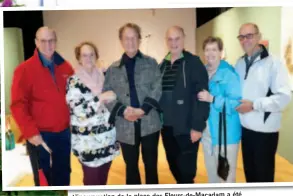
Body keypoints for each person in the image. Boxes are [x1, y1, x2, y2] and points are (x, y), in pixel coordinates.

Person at [10, 27, 73, 186]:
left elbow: (75, 97)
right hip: (39, 135)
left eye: (51, 40)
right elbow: (18, 105)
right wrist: (30, 133)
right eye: (43, 41)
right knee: (43, 179)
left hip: (64, 134)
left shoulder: (66, 67)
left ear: (56, 41)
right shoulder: (24, 70)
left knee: (64, 174)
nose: (48, 45)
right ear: (36, 42)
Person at [103, 23, 162, 184]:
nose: (130, 41)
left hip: (149, 123)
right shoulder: (112, 69)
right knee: (131, 167)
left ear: (139, 39)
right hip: (125, 124)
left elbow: (157, 88)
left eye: (134, 37)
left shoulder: (151, 63)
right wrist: (122, 111)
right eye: (126, 38)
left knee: (151, 165)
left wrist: (143, 110)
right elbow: (107, 95)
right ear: (121, 41)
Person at [235, 23, 292, 182]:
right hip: (245, 131)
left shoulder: (275, 63)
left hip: (265, 134)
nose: (245, 40)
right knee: (250, 177)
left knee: (263, 179)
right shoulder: (239, 63)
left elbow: (284, 98)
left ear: (259, 37)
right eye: (241, 37)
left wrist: (254, 105)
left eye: (249, 36)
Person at [159, 26, 210, 184]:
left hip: (187, 128)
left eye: (177, 38)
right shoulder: (162, 65)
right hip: (166, 128)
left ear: (183, 39)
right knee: (174, 166)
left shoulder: (193, 62)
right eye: (170, 39)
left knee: (187, 172)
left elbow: (202, 96)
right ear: (166, 41)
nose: (173, 43)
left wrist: (197, 126)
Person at [66, 42, 120, 185]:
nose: (88, 58)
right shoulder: (73, 82)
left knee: (103, 180)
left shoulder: (104, 76)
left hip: (107, 139)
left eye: (91, 54)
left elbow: (114, 99)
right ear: (79, 58)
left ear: (96, 56)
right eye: (84, 55)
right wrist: (101, 98)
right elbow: (79, 112)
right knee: (92, 183)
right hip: (87, 143)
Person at [199, 36, 242, 183]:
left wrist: (213, 99)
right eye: (207, 49)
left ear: (221, 52)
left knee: (226, 180)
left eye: (214, 49)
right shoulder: (201, 74)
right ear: (203, 53)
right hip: (207, 136)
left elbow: (236, 104)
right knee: (212, 178)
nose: (210, 53)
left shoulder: (229, 74)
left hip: (226, 136)